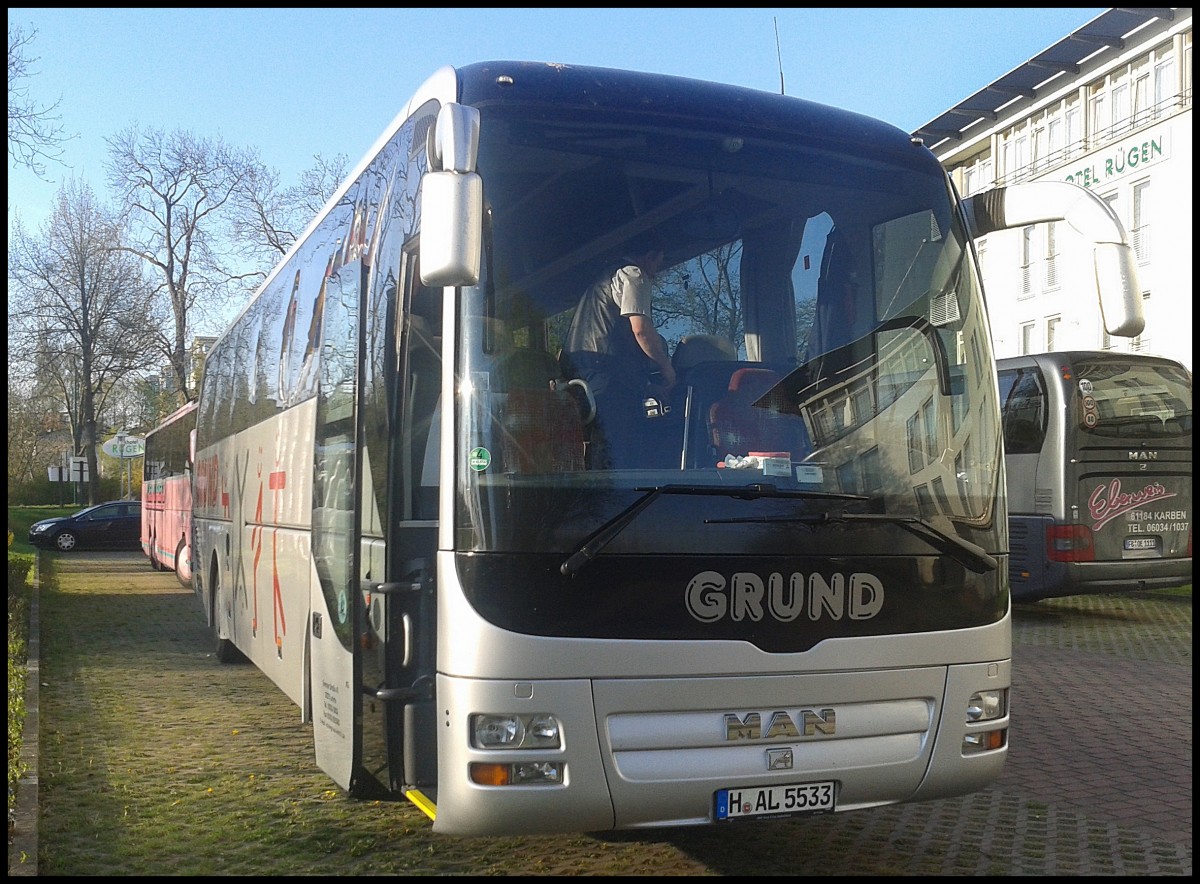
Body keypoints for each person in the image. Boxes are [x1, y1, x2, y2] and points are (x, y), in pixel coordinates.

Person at [560, 235, 675, 468]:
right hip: (610, 382)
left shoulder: (601, 282)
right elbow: (641, 331)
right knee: (620, 455)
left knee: (599, 447)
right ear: (649, 256)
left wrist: (646, 386)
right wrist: (667, 368)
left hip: (585, 379)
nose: (655, 272)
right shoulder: (633, 274)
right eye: (657, 264)